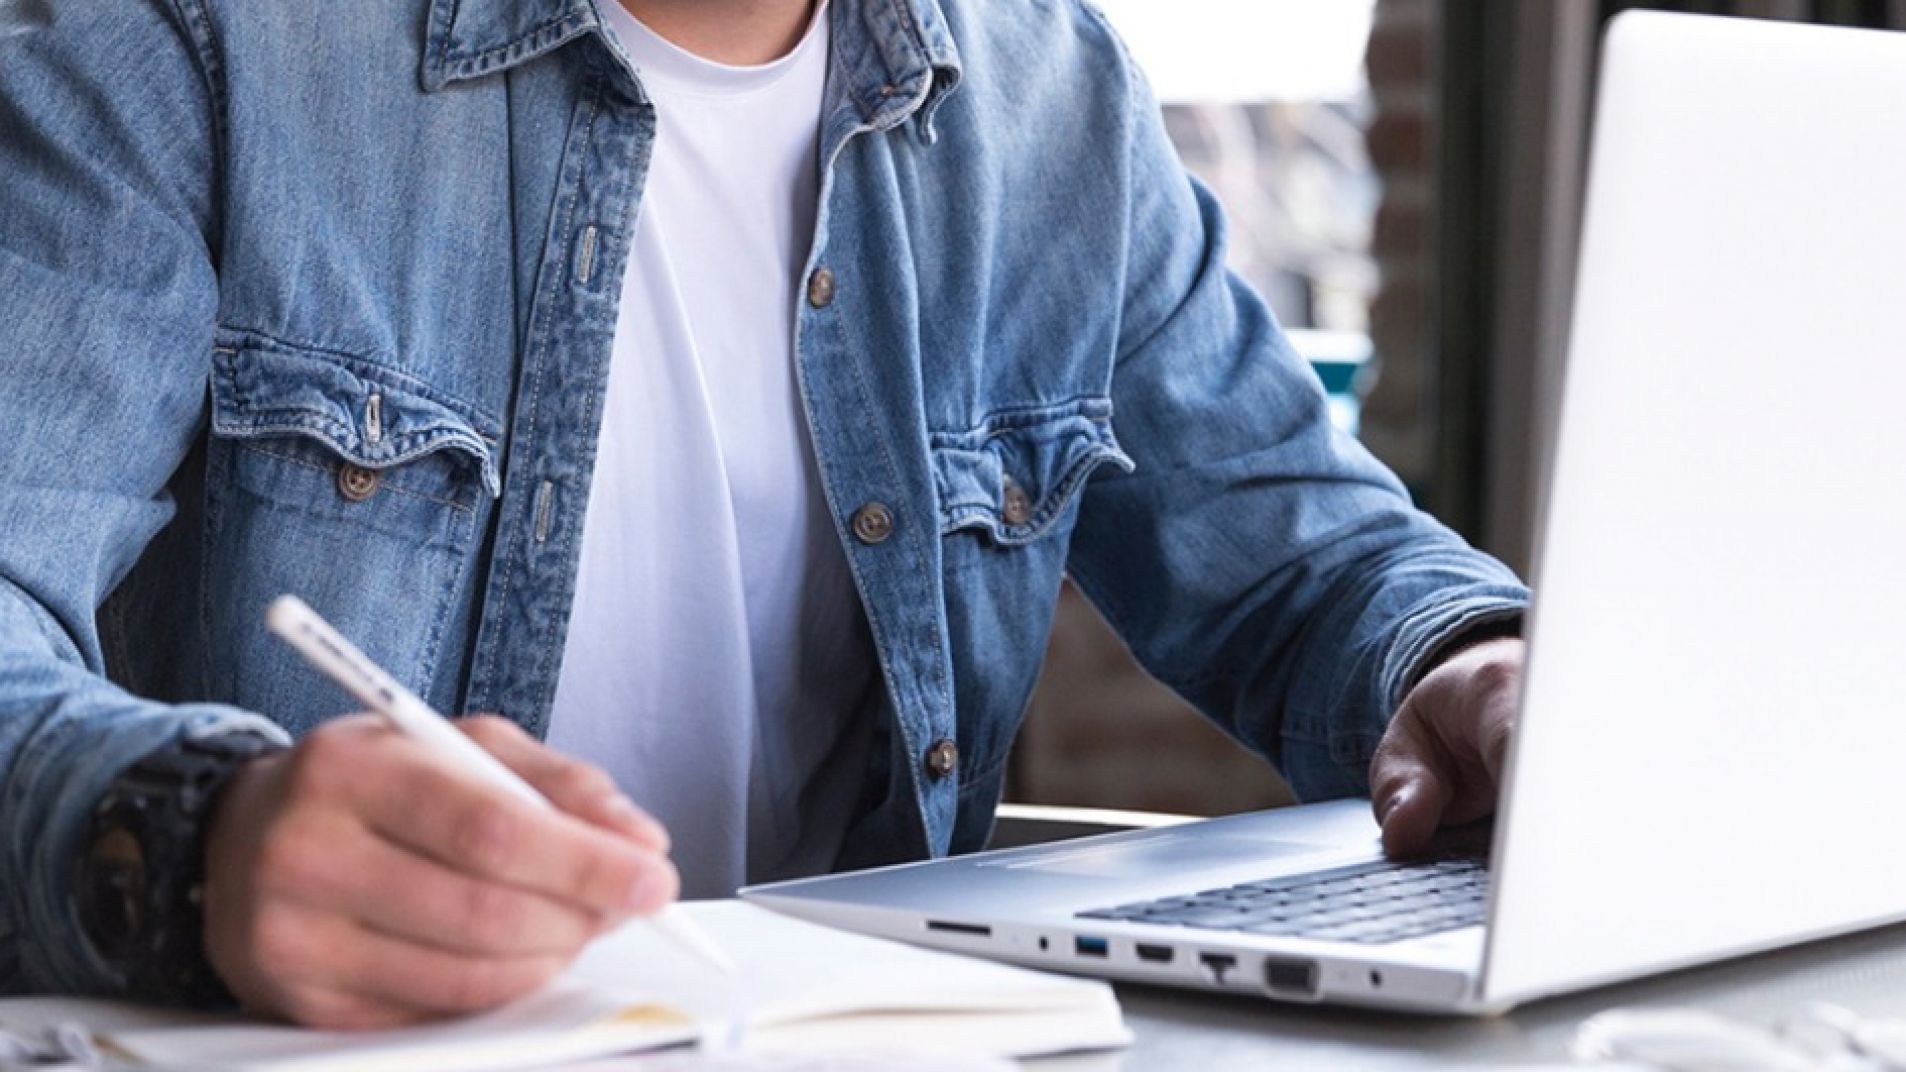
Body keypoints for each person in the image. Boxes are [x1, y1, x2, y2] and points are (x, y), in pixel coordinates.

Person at [0, 0, 1529, 1031]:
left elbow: (1304, 560)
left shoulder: (1040, 80)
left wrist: (1457, 658)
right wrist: (189, 840)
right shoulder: (187, 40)